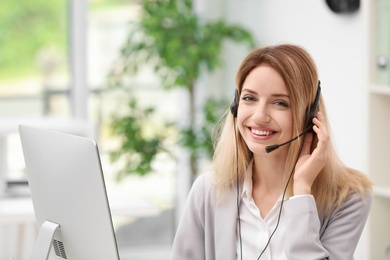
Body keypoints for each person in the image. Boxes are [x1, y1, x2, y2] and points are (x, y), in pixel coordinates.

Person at [170, 44, 372, 260]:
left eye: (280, 103)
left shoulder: (348, 197)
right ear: (236, 106)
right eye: (249, 98)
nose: (259, 116)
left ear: (309, 115)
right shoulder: (208, 191)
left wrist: (303, 191)